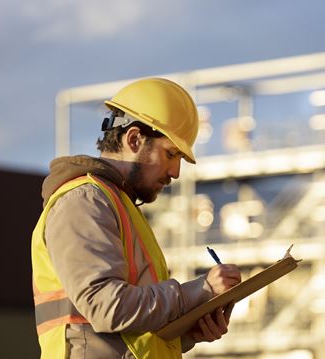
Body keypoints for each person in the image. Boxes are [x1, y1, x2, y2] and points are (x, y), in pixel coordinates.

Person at [31, 77, 242, 359]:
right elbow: (106, 308)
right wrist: (199, 291)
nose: (176, 172)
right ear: (133, 139)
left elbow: (128, 335)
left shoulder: (119, 205)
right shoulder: (84, 200)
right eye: (170, 154)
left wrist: (188, 331)